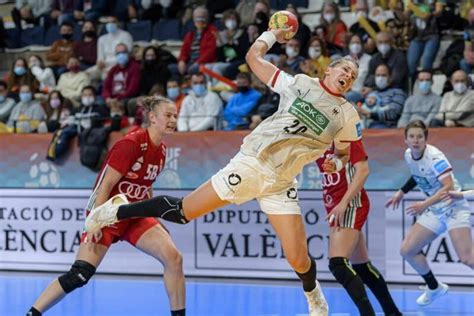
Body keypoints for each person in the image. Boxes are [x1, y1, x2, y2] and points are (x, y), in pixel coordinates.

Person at [85, 27, 363, 316]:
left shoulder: (346, 115)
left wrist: (338, 163)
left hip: (281, 182)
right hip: (251, 164)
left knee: (299, 259)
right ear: (329, 70)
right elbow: (253, 57)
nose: (347, 76)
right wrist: (271, 34)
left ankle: (313, 292)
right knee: (182, 213)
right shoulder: (300, 83)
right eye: (344, 69)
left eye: (353, 76)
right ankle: (113, 212)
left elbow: (343, 153)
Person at [26, 96, 186, 316]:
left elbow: (146, 186)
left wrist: (155, 219)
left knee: (174, 258)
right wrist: (95, 219)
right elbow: (105, 184)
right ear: (152, 117)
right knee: (80, 275)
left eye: (175, 115)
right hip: (107, 214)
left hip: (135, 215)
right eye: (168, 115)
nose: (173, 119)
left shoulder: (162, 150)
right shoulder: (131, 143)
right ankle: (32, 313)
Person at [385, 120, 473, 306]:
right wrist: (401, 192)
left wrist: (424, 204)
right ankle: (435, 287)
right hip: (434, 209)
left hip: (453, 206)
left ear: (425, 139)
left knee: (467, 258)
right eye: (412, 137)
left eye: (420, 137)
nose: (416, 140)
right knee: (407, 250)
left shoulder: (435, 158)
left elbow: (448, 186)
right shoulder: (409, 155)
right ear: (406, 139)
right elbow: (418, 175)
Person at [315, 141, 401, 316]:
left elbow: (363, 170)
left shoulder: (346, 135)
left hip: (350, 204)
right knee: (362, 267)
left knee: (338, 264)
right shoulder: (315, 138)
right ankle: (393, 313)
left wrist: (344, 202)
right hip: (334, 205)